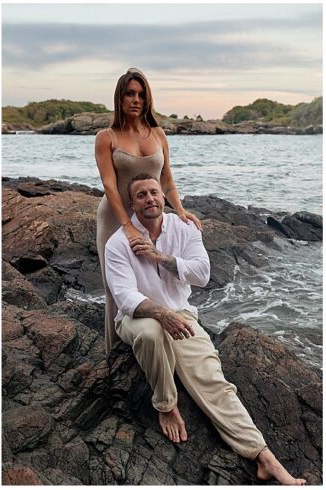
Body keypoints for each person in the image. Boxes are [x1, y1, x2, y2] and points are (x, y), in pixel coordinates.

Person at [104, 173, 305, 486]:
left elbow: (202, 274)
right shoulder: (118, 242)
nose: (149, 199)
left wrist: (160, 257)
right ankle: (166, 405)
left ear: (163, 196)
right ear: (132, 203)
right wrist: (160, 314)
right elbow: (125, 297)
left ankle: (264, 458)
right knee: (150, 333)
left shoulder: (185, 227)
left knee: (213, 380)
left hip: (182, 313)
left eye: (154, 192)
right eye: (141, 195)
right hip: (137, 316)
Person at [94, 68, 201, 355]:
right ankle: (116, 354)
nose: (136, 100)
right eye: (130, 93)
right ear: (120, 97)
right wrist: (126, 226)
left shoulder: (158, 133)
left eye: (141, 95)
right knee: (115, 287)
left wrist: (180, 210)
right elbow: (109, 185)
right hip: (114, 218)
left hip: (152, 213)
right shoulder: (107, 137)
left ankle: (161, 341)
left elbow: (166, 179)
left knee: (155, 277)